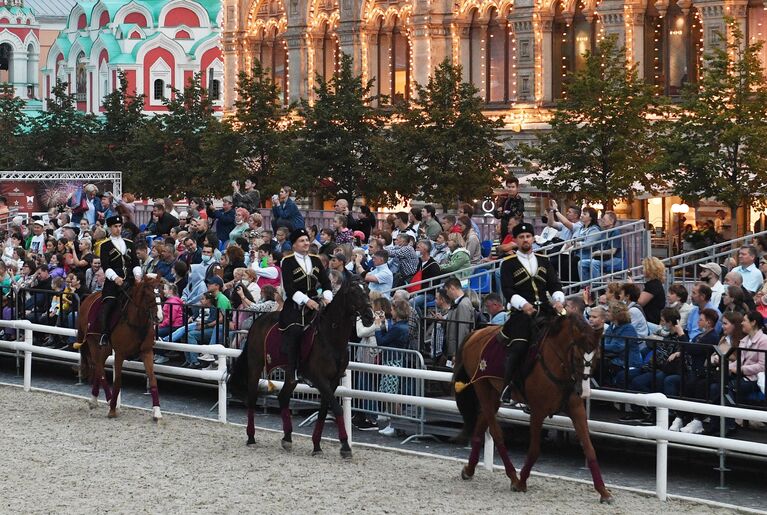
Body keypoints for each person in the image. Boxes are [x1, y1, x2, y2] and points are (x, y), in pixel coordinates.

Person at [495, 222, 565, 402]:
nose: (525, 240)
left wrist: (558, 301)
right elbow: (508, 290)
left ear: (533, 238)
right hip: (522, 314)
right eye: (521, 237)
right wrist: (524, 305)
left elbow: (555, 285)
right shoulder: (508, 264)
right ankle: (509, 387)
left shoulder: (544, 260)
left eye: (528, 236)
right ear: (516, 241)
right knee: (518, 347)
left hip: (546, 310)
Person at [279, 228, 333, 381]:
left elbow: (326, 282)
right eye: (301, 241)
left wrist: (327, 297)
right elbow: (289, 288)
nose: (306, 243)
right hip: (296, 303)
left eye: (307, 240)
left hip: (316, 300)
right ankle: (294, 369)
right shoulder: (287, 261)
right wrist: (306, 301)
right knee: (296, 330)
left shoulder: (316, 259)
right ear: (294, 245)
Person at [98, 215, 142, 347]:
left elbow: (135, 262)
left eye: (119, 226)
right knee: (109, 303)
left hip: (130, 279)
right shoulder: (105, 245)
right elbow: (105, 266)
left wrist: (138, 275)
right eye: (115, 227)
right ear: (110, 228)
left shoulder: (129, 243)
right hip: (113, 281)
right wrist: (115, 278)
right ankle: (104, 334)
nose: (118, 229)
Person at [495, 175, 524, 241]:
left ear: (517, 188)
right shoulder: (505, 200)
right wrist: (502, 213)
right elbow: (496, 214)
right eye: (509, 187)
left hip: (515, 233)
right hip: (504, 231)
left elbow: (516, 215)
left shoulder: (519, 200)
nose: (510, 189)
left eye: (513, 187)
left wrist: (503, 213)